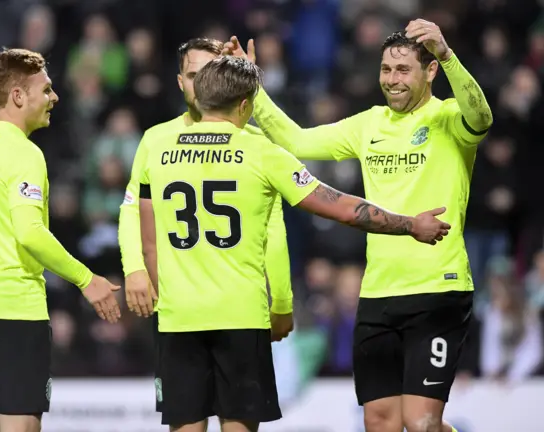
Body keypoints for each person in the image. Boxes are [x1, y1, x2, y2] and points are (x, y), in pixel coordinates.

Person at [138, 55, 450, 432]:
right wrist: (409, 225)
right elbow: (342, 208)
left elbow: (149, 242)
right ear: (245, 106)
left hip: (179, 316)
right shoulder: (261, 152)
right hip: (239, 315)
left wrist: (168, 299)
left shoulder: (157, 149)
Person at [223, 18, 493, 432]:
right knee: (379, 423)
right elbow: (296, 140)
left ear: (430, 71)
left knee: (421, 424)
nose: (392, 79)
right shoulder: (368, 124)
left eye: (403, 70)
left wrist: (448, 53)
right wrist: (252, 87)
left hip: (439, 291)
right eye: (386, 70)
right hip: (378, 294)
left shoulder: (450, 118)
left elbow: (483, 116)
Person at [117, 38, 295, 419]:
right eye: (194, 75)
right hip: (179, 310)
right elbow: (132, 209)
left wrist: (280, 299)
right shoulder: (156, 139)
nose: (203, 85)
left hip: (238, 309)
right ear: (180, 81)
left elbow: (273, 228)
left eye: (212, 74)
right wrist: (134, 269)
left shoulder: (255, 140)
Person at [0, 48, 121, 432]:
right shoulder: (23, 153)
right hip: (12, 308)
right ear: (18, 96)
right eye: (46, 89)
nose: (54, 97)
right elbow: (29, 232)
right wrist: (86, 279)